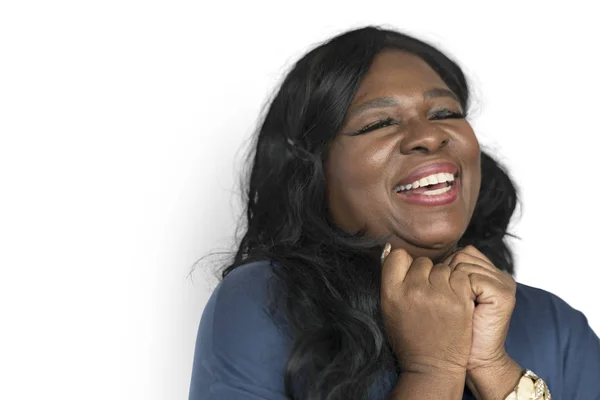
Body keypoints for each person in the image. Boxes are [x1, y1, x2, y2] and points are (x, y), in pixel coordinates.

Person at [188, 26, 600, 399]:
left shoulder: (554, 325)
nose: (429, 135)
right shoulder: (264, 302)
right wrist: (433, 370)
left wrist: (493, 368)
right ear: (315, 168)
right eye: (379, 123)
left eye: (445, 114)